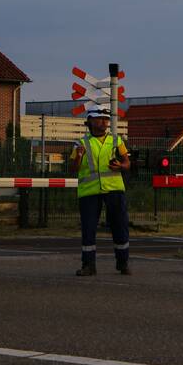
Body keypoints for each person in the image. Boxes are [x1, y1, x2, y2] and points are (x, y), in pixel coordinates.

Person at [70, 108, 131, 276]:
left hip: (114, 189)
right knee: (88, 229)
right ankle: (89, 265)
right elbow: (73, 169)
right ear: (90, 121)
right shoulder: (80, 143)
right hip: (89, 192)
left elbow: (127, 163)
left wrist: (121, 166)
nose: (104, 121)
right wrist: (78, 157)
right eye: (100, 119)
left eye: (106, 118)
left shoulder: (116, 140)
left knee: (120, 226)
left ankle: (123, 263)